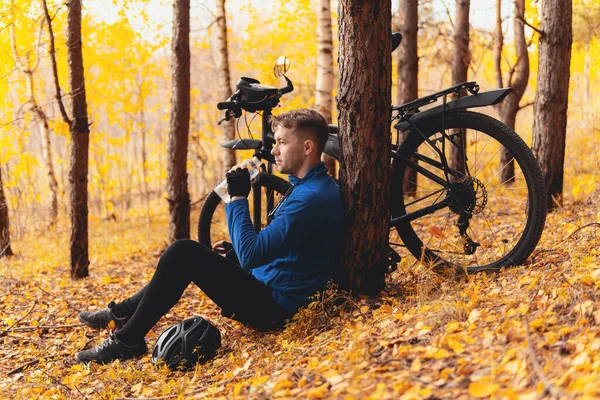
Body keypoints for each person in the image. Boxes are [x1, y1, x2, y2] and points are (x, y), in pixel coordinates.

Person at [76, 108, 344, 364]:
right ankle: (122, 314)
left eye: (282, 143)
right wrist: (234, 252)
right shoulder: (310, 188)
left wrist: (237, 199)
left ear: (308, 147)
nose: (274, 150)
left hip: (278, 309)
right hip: (272, 289)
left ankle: (126, 340)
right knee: (192, 256)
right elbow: (285, 248)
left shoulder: (310, 198)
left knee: (182, 252)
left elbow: (252, 255)